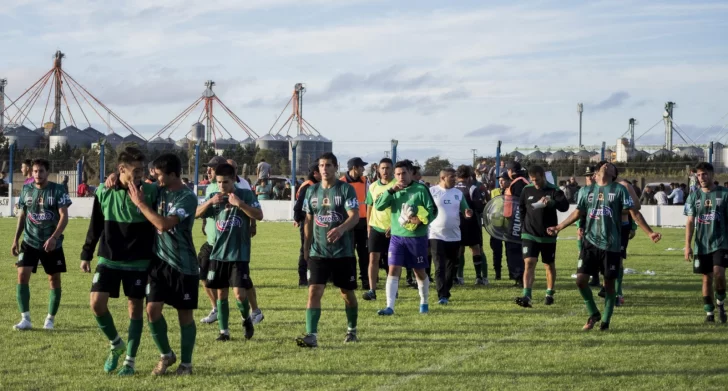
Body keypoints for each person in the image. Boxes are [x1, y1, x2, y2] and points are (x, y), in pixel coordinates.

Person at [547, 161, 661, 331]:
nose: (607, 165)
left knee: (609, 284)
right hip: (589, 242)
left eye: (611, 166)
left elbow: (634, 212)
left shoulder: (619, 190)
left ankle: (605, 322)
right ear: (597, 173)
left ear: (614, 174)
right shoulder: (586, 191)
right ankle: (594, 313)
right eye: (604, 164)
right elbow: (578, 213)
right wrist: (558, 227)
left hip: (611, 244)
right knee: (580, 280)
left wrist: (649, 232)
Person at [80, 147, 158, 376]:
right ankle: (116, 343)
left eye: (143, 170)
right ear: (121, 169)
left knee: (135, 309)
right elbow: (95, 224)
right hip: (109, 258)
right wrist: (86, 253)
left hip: (139, 260)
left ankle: (130, 362)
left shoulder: (151, 191)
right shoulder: (104, 191)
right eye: (136, 170)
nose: (141, 175)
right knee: (96, 303)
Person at [128, 153, 200, 375]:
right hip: (159, 262)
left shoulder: (187, 198)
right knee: (152, 310)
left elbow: (164, 224)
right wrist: (115, 175)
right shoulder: (159, 189)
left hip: (184, 264)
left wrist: (140, 203)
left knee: (184, 315)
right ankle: (166, 355)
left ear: (173, 174)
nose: (155, 178)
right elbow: (133, 179)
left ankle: (186, 364)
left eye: (159, 175)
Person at [296, 152, 360, 348]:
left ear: (335, 167)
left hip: (343, 252)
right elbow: (308, 220)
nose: (324, 169)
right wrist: (306, 247)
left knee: (346, 293)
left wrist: (340, 229)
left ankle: (351, 330)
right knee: (314, 291)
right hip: (318, 252)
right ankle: (311, 335)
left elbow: (355, 216)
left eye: (328, 165)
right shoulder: (311, 191)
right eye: (322, 165)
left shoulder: (346, 189)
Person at [196, 163, 263, 341]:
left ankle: (246, 318)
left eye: (225, 182)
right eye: (219, 182)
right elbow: (196, 214)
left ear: (234, 180)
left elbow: (259, 215)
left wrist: (239, 204)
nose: (221, 186)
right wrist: (210, 201)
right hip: (217, 254)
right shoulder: (214, 196)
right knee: (221, 294)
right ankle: (224, 332)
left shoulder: (246, 195)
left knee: (239, 294)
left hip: (239, 254)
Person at [11, 158, 71, 331]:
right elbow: (22, 216)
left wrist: (54, 238)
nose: (38, 174)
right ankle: (25, 319)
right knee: (22, 276)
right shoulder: (26, 190)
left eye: (41, 171)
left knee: (54, 279)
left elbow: (64, 217)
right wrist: (16, 239)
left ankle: (50, 319)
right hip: (29, 241)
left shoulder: (58, 190)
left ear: (47, 172)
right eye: (35, 171)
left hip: (52, 243)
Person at [374, 159, 437, 316]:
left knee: (419, 272)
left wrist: (422, 220)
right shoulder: (393, 189)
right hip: (397, 237)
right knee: (393, 269)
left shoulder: (421, 189)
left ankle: (424, 302)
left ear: (410, 173)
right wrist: (391, 191)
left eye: (403, 173)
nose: (400, 177)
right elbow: (379, 206)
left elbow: (432, 210)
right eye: (397, 174)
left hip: (416, 238)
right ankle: (390, 307)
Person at [514, 165, 569, 308]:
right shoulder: (527, 189)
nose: (535, 183)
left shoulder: (554, 190)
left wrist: (551, 203)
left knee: (548, 265)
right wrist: (523, 227)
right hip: (529, 233)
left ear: (543, 176)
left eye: (537, 180)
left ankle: (549, 292)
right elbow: (521, 208)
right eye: (532, 180)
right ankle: (527, 295)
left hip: (547, 235)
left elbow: (564, 207)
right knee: (529, 262)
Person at [684, 162, 728, 323]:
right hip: (701, 244)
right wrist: (688, 245)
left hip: (721, 242)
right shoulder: (694, 196)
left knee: (719, 274)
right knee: (706, 278)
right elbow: (690, 221)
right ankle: (709, 313)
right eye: (699, 175)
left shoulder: (724, 194)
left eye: (704, 174)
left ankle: (720, 302)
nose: (701, 178)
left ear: (712, 175)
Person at [429, 168, 473, 305]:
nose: (455, 179)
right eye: (451, 177)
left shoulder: (458, 193)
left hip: (454, 235)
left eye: (455, 176)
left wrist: (467, 213)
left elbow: (465, 209)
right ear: (443, 178)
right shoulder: (432, 191)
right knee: (439, 266)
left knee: (451, 267)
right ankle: (441, 295)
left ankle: (446, 291)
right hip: (435, 234)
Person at [362, 158, 394, 301]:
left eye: (388, 168)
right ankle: (372, 290)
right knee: (373, 258)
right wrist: (369, 225)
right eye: (383, 168)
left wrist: (394, 226)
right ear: (378, 170)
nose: (385, 171)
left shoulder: (397, 185)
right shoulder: (373, 186)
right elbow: (370, 205)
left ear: (392, 169)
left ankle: (392, 289)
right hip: (375, 227)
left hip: (392, 228)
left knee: (391, 261)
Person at [454, 166, 487, 285]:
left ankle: (457, 278)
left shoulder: (453, 188)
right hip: (471, 222)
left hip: (456, 223)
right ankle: (479, 277)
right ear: (469, 177)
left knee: (459, 250)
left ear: (457, 176)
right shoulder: (472, 188)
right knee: (476, 248)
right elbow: (479, 207)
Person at [341, 157, 370, 290]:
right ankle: (350, 278)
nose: (363, 169)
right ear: (354, 167)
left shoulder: (365, 182)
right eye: (361, 167)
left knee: (364, 254)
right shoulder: (341, 183)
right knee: (349, 253)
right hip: (348, 223)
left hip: (363, 223)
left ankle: (365, 279)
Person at [293, 164, 321, 287]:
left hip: (319, 222)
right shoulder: (308, 186)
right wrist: (298, 219)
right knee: (305, 249)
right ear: (315, 173)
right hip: (308, 222)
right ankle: (303, 279)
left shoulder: (317, 185)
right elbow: (298, 205)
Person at [504, 161, 529, 286]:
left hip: (516, 221)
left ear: (510, 171)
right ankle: (518, 276)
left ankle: (519, 277)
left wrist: (517, 221)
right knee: (515, 248)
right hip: (516, 220)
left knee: (513, 248)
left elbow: (520, 203)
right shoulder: (522, 180)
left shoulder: (518, 182)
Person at [577, 166, 601, 287]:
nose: (590, 177)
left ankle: (597, 277)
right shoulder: (582, 190)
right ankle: (590, 275)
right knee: (583, 250)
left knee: (596, 251)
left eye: (592, 175)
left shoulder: (600, 189)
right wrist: (579, 225)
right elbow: (579, 210)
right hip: (584, 223)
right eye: (587, 175)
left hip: (597, 224)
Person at [489, 172, 510, 280]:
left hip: (508, 225)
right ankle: (498, 274)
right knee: (496, 251)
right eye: (500, 180)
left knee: (509, 251)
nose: (501, 182)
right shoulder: (494, 192)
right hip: (496, 225)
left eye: (503, 180)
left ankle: (512, 273)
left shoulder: (512, 191)